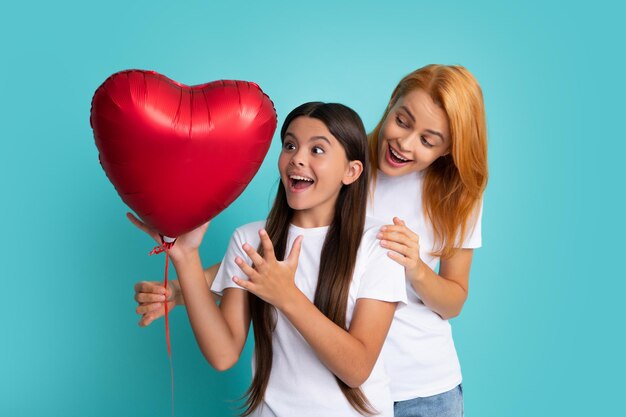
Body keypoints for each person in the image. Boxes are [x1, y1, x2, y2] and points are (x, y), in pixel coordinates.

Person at [134, 64, 488, 417]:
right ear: (392, 103)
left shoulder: (450, 199)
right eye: (403, 121)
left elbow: (452, 300)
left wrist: (416, 268)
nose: (405, 142)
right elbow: (273, 258)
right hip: (338, 384)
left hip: (417, 385)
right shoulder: (335, 162)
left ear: (447, 149)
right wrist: (187, 285)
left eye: (428, 140)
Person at [129, 102, 407, 417]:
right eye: (290, 145)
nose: (297, 158)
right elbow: (223, 354)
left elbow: (357, 369)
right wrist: (186, 256)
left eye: (317, 150)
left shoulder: (378, 244)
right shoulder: (249, 239)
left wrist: (287, 297)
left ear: (351, 171)